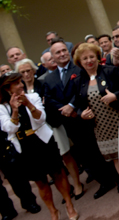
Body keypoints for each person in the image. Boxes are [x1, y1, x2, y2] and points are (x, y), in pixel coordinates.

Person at [43, 40, 116, 200]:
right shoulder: (49, 78)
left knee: (100, 149)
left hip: (89, 117)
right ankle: (103, 181)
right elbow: (49, 98)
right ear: (52, 57)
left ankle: (115, 178)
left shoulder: (81, 67)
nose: (62, 54)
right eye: (57, 52)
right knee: (85, 154)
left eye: (64, 50)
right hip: (69, 120)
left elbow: (81, 91)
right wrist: (66, 109)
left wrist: (72, 105)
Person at [0, 73, 79, 220]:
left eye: (20, 82)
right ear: (7, 88)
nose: (21, 85)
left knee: (58, 173)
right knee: (40, 182)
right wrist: (15, 110)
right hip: (24, 147)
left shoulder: (33, 96)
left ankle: (69, 204)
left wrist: (28, 104)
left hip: (43, 141)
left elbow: (41, 118)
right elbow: (10, 128)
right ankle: (53, 211)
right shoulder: (2, 107)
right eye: (16, 83)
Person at [15, 58, 85, 201]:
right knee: (50, 163)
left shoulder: (43, 82)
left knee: (65, 154)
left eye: (28, 70)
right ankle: (66, 189)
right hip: (34, 132)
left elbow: (51, 100)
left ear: (33, 70)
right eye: (22, 72)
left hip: (52, 124)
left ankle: (77, 184)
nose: (26, 74)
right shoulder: (18, 92)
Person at [71, 43, 119, 206]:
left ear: (97, 57)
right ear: (79, 62)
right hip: (101, 127)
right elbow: (79, 104)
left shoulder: (110, 71)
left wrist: (115, 96)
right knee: (117, 158)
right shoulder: (78, 81)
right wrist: (82, 113)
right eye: (85, 58)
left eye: (91, 56)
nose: (89, 60)